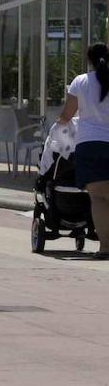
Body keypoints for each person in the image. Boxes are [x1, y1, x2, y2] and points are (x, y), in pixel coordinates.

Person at [57, 41, 109, 259]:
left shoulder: (80, 82)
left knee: (98, 199)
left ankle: (105, 247)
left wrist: (58, 129)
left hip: (90, 145)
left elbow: (67, 116)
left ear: (89, 60)